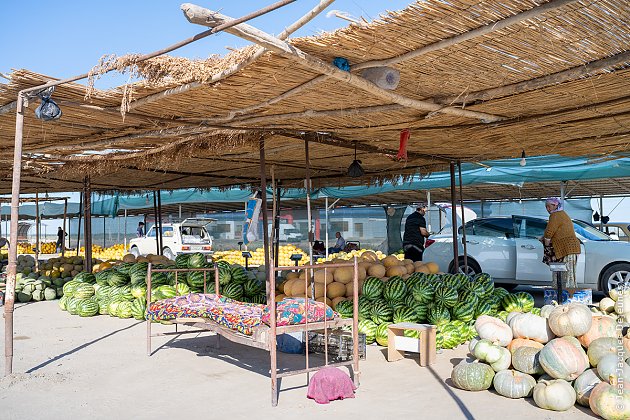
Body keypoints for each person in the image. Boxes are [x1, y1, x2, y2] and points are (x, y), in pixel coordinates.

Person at [540, 197, 581, 289]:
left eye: (549, 206)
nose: (547, 209)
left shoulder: (555, 215)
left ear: (555, 205)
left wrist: (546, 243)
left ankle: (566, 297)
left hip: (567, 248)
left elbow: (549, 232)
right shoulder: (563, 214)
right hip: (571, 248)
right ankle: (567, 295)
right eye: (546, 207)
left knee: (565, 275)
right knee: (570, 275)